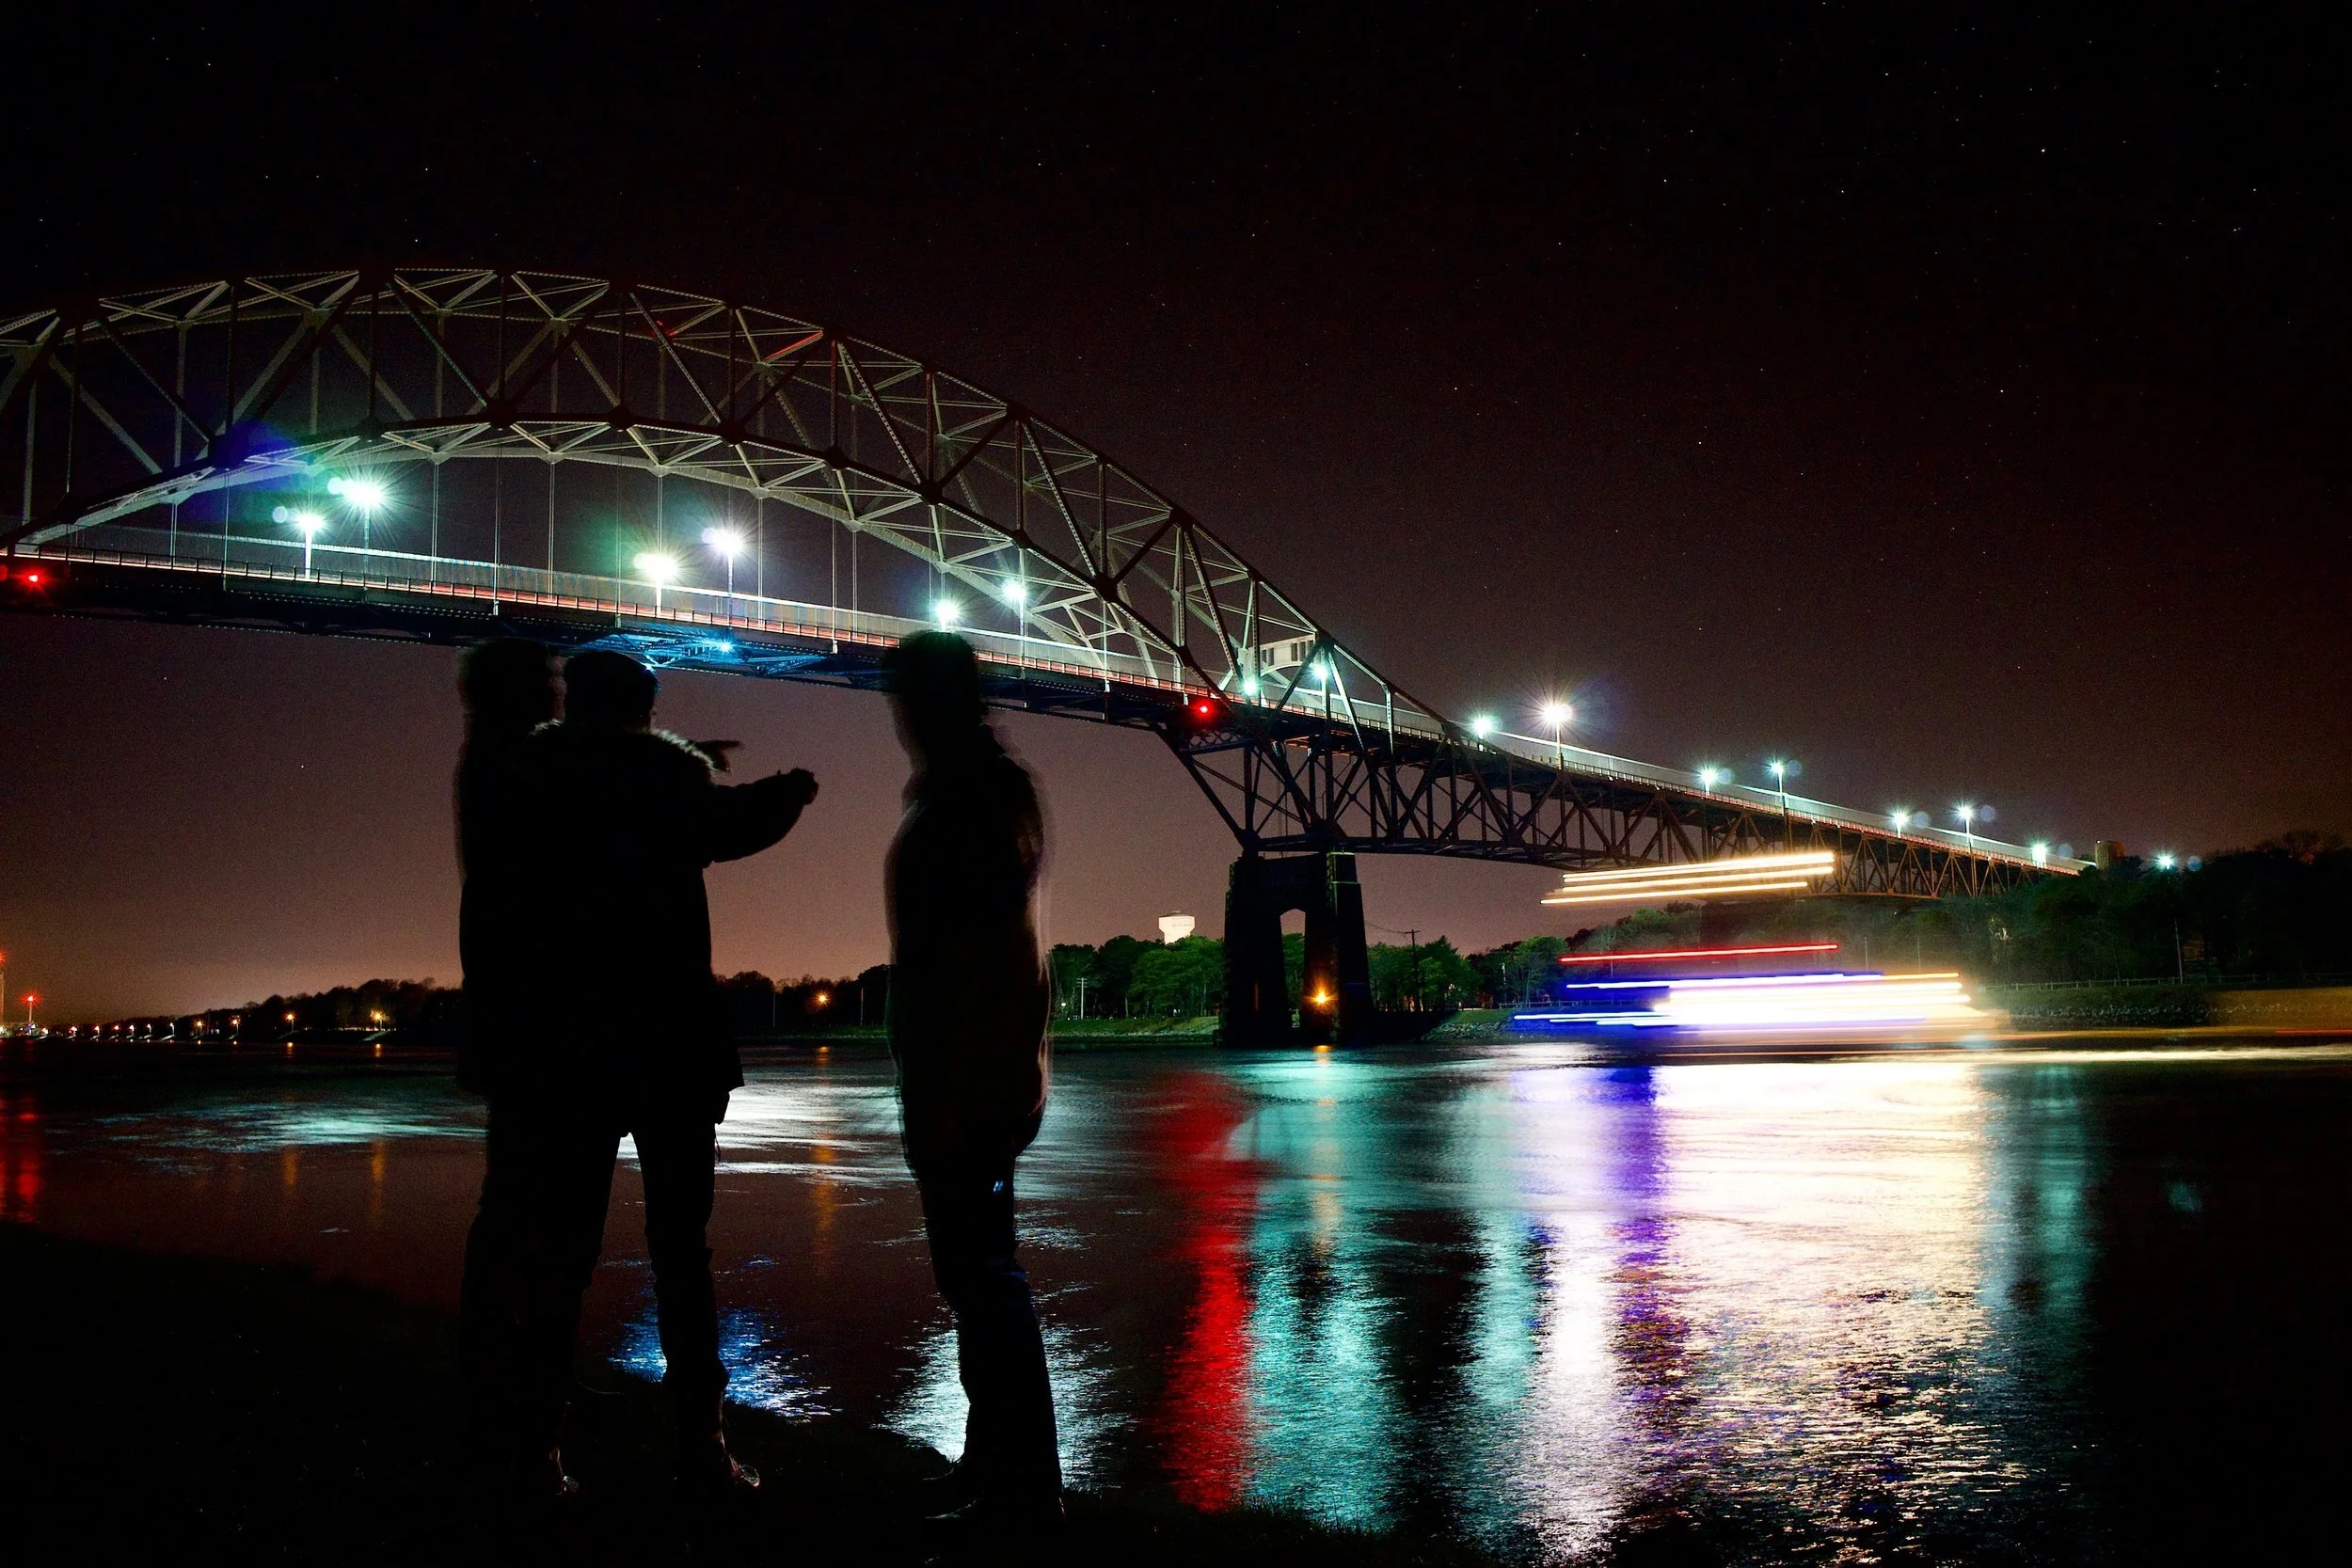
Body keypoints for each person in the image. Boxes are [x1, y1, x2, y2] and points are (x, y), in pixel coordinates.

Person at [463, 647, 818, 1503]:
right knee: (681, 1258)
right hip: (669, 1050)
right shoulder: (664, 785)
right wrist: (795, 786)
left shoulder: (530, 779)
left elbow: (601, 793)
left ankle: (537, 1452)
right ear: (646, 711)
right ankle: (703, 1447)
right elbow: (735, 823)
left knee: (562, 1256)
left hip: (567, 1052)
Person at [880, 630, 1061, 1531]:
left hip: (970, 1079)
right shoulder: (980, 788)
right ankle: (993, 1466)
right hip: (975, 1072)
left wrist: (948, 1083)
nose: (896, 716)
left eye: (904, 696)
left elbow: (965, 958)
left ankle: (1021, 1486)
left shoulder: (969, 798)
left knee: (984, 1278)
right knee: (977, 1275)